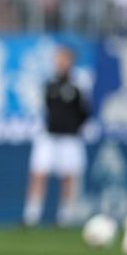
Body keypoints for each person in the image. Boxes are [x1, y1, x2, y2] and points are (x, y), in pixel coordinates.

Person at [24, 45, 90, 227]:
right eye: (58, 59)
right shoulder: (49, 84)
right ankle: (32, 215)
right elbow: (44, 109)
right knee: (38, 173)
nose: (60, 63)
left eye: (64, 59)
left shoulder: (79, 85)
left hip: (70, 137)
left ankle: (65, 216)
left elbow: (85, 112)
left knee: (69, 176)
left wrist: (74, 128)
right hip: (49, 136)